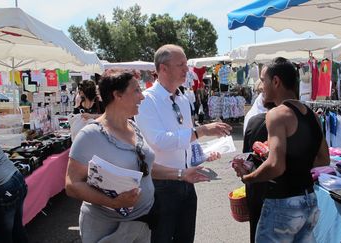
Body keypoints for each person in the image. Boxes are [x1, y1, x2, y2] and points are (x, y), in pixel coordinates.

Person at [65, 70, 210, 243]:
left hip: (143, 223)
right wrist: (113, 203)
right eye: (136, 91)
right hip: (110, 228)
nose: (142, 97)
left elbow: (144, 167)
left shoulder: (133, 126)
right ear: (117, 95)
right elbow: (72, 185)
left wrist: (182, 174)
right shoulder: (90, 134)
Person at [135, 44, 232, 243]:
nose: (186, 70)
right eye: (180, 65)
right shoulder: (147, 100)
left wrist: (201, 155)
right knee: (161, 238)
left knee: (185, 238)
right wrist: (201, 131)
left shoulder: (181, 98)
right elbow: (159, 141)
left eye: (186, 64)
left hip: (187, 182)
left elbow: (185, 140)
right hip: (161, 185)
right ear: (163, 68)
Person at [240, 57, 330, 243]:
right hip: (309, 201)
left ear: (276, 81)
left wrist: (248, 178)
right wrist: (295, 161)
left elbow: (276, 166)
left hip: (283, 202)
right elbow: (323, 159)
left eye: (263, 80)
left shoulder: (276, 115)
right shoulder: (312, 114)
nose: (261, 86)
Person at [233, 97, 276, 243]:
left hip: (258, 191)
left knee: (258, 233)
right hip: (286, 194)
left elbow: (246, 159)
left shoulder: (254, 121)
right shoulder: (303, 119)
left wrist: (246, 177)